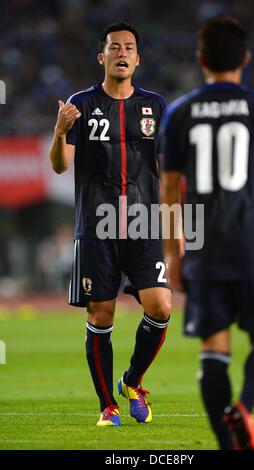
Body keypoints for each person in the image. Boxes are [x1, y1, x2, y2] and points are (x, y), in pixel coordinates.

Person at [161, 15, 254, 450]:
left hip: (205, 251)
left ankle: (227, 443)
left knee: (213, 351)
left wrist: (174, 253)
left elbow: (169, 191)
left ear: (201, 59)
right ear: (246, 58)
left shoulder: (179, 113)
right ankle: (243, 409)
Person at [49, 22, 171, 427]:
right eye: (114, 47)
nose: (122, 53)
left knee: (161, 306)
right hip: (96, 227)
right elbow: (59, 165)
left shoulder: (156, 105)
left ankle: (132, 381)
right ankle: (108, 405)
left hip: (142, 223)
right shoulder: (80, 104)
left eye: (129, 47)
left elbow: (168, 170)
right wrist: (59, 131)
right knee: (101, 317)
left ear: (137, 58)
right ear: (101, 57)